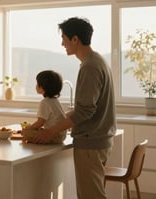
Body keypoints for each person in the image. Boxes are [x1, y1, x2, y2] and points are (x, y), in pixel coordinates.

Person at [31, 17, 116, 199]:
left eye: (64, 38)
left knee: (91, 196)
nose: (62, 43)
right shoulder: (97, 60)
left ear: (75, 39)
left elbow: (85, 110)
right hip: (99, 139)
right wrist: (60, 119)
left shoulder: (90, 67)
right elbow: (87, 107)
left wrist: (51, 131)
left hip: (90, 141)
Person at [22, 70, 67, 144]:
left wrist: (28, 128)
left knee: (26, 132)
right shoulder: (55, 101)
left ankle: (34, 140)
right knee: (32, 130)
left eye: (37, 83)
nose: (36, 85)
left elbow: (40, 122)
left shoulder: (45, 102)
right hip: (62, 136)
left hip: (54, 135)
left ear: (42, 87)